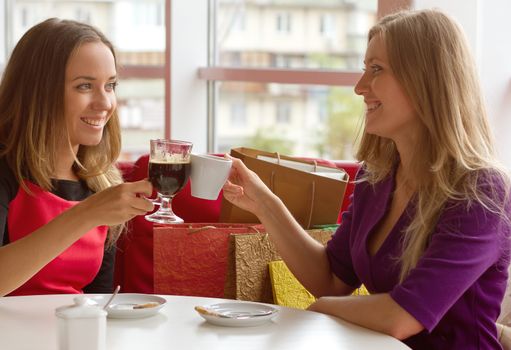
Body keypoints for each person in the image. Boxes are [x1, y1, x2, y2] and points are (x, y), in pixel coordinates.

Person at [223, 9, 511, 349]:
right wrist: (265, 205)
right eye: (364, 69)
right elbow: (331, 279)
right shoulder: (376, 179)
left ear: (425, 80)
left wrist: (320, 310)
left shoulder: (481, 192)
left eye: (376, 70)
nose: (360, 87)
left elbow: (402, 317)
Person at [0, 18, 153, 297]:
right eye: (84, 86)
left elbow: (100, 301)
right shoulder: (5, 170)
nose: (105, 103)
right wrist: (86, 214)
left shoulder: (100, 183)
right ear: (39, 92)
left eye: (110, 85)